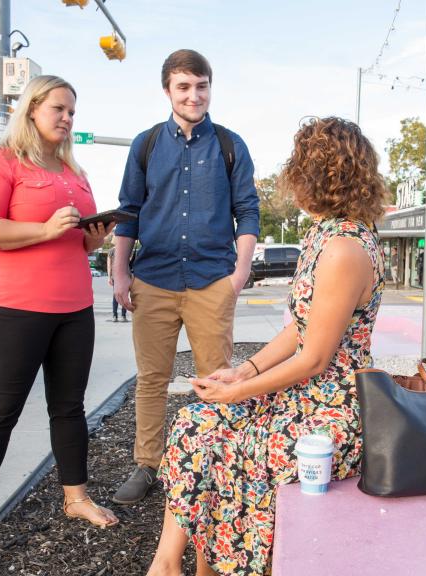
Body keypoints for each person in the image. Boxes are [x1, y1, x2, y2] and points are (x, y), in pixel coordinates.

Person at [148, 117, 388, 576]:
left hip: (332, 405)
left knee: (228, 442)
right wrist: (244, 372)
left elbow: (316, 357)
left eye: (298, 167)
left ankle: (186, 566)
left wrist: (240, 392)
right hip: (305, 392)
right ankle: (171, 563)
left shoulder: (344, 249)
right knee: (196, 423)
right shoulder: (325, 235)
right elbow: (301, 328)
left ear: (314, 176)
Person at [0, 75, 117, 553]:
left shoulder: (74, 172)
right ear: (33, 108)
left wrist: (94, 238)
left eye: (73, 113)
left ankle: (76, 497)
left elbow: (77, 238)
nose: (67, 118)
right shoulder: (0, 163)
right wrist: (41, 231)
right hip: (14, 310)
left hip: (74, 308)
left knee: (69, 408)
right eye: (59, 109)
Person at [111, 49, 260, 505]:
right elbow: (128, 212)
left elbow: (247, 212)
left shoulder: (231, 145)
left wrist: (239, 273)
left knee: (215, 380)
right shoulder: (147, 143)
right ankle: (147, 465)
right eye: (184, 86)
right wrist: (120, 272)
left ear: (210, 88)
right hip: (152, 279)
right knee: (151, 378)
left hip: (211, 280)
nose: (193, 95)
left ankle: (214, 464)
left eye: (201, 86)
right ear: (168, 91)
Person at [107, 243, 127, 322]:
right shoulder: (126, 249)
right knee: (124, 295)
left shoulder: (111, 251)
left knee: (115, 296)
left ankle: (115, 316)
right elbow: (128, 262)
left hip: (115, 276)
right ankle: (123, 316)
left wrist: (109, 277)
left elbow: (109, 265)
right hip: (125, 275)